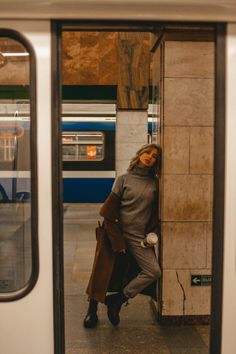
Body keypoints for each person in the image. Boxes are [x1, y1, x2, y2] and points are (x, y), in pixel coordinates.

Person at [83, 143, 162, 328]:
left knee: (154, 271)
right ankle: (91, 311)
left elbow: (155, 215)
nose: (150, 156)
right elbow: (108, 213)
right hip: (114, 233)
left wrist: (152, 234)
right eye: (147, 152)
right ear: (140, 153)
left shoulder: (155, 184)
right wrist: (117, 242)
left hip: (138, 238)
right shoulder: (123, 179)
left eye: (155, 156)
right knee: (101, 273)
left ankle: (118, 300)